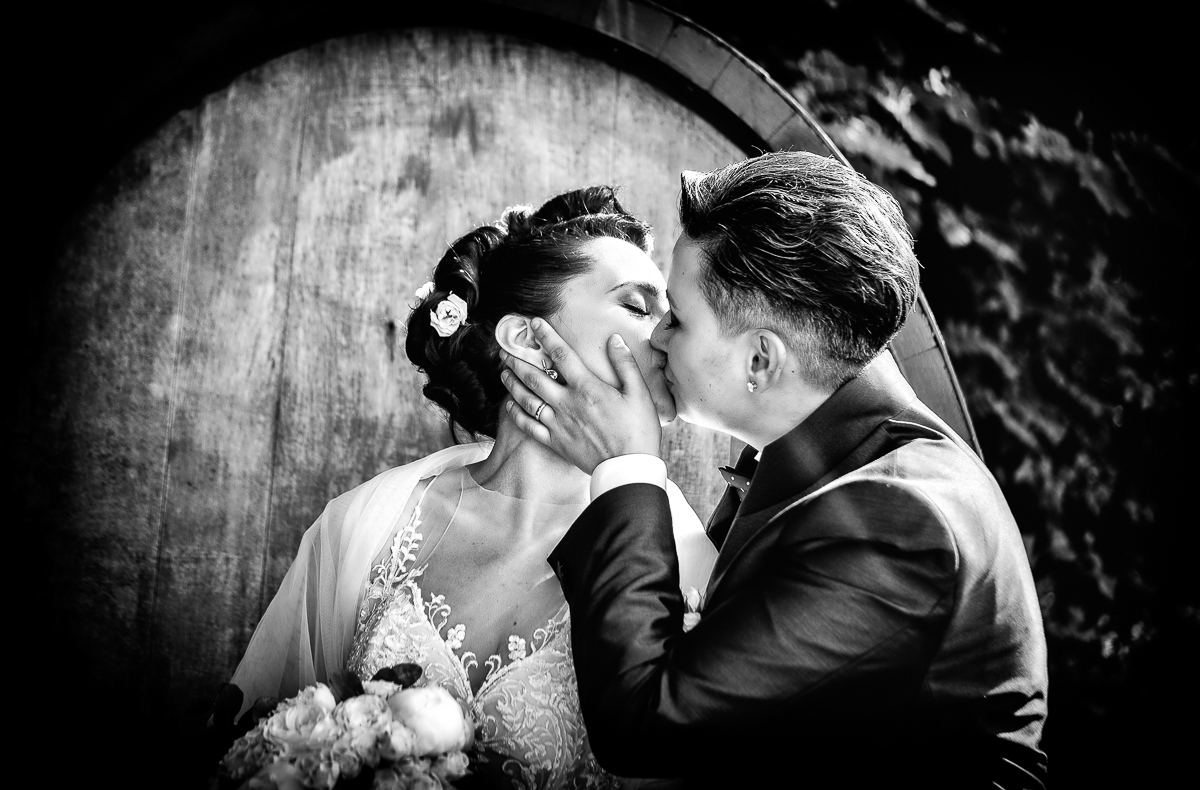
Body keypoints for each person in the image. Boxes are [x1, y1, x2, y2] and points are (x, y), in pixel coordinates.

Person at [500, 152, 1049, 788]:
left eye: (677, 318)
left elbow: (646, 721)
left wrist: (624, 466)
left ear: (760, 361)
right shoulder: (828, 454)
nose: (658, 339)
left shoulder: (900, 519)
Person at [226, 187, 717, 788]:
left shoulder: (686, 560)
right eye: (639, 307)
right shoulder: (369, 523)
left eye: (672, 315)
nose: (668, 336)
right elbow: (269, 745)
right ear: (528, 339)